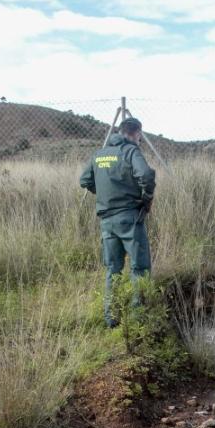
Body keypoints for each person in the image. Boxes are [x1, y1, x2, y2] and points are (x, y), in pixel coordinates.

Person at [79, 117, 156, 327]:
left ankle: (111, 319)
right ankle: (138, 319)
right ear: (136, 134)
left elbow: (84, 180)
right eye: (139, 137)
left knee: (113, 269)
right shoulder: (131, 151)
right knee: (139, 268)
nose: (139, 140)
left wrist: (104, 193)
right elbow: (147, 176)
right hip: (130, 218)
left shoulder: (99, 154)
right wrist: (146, 199)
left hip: (106, 221)